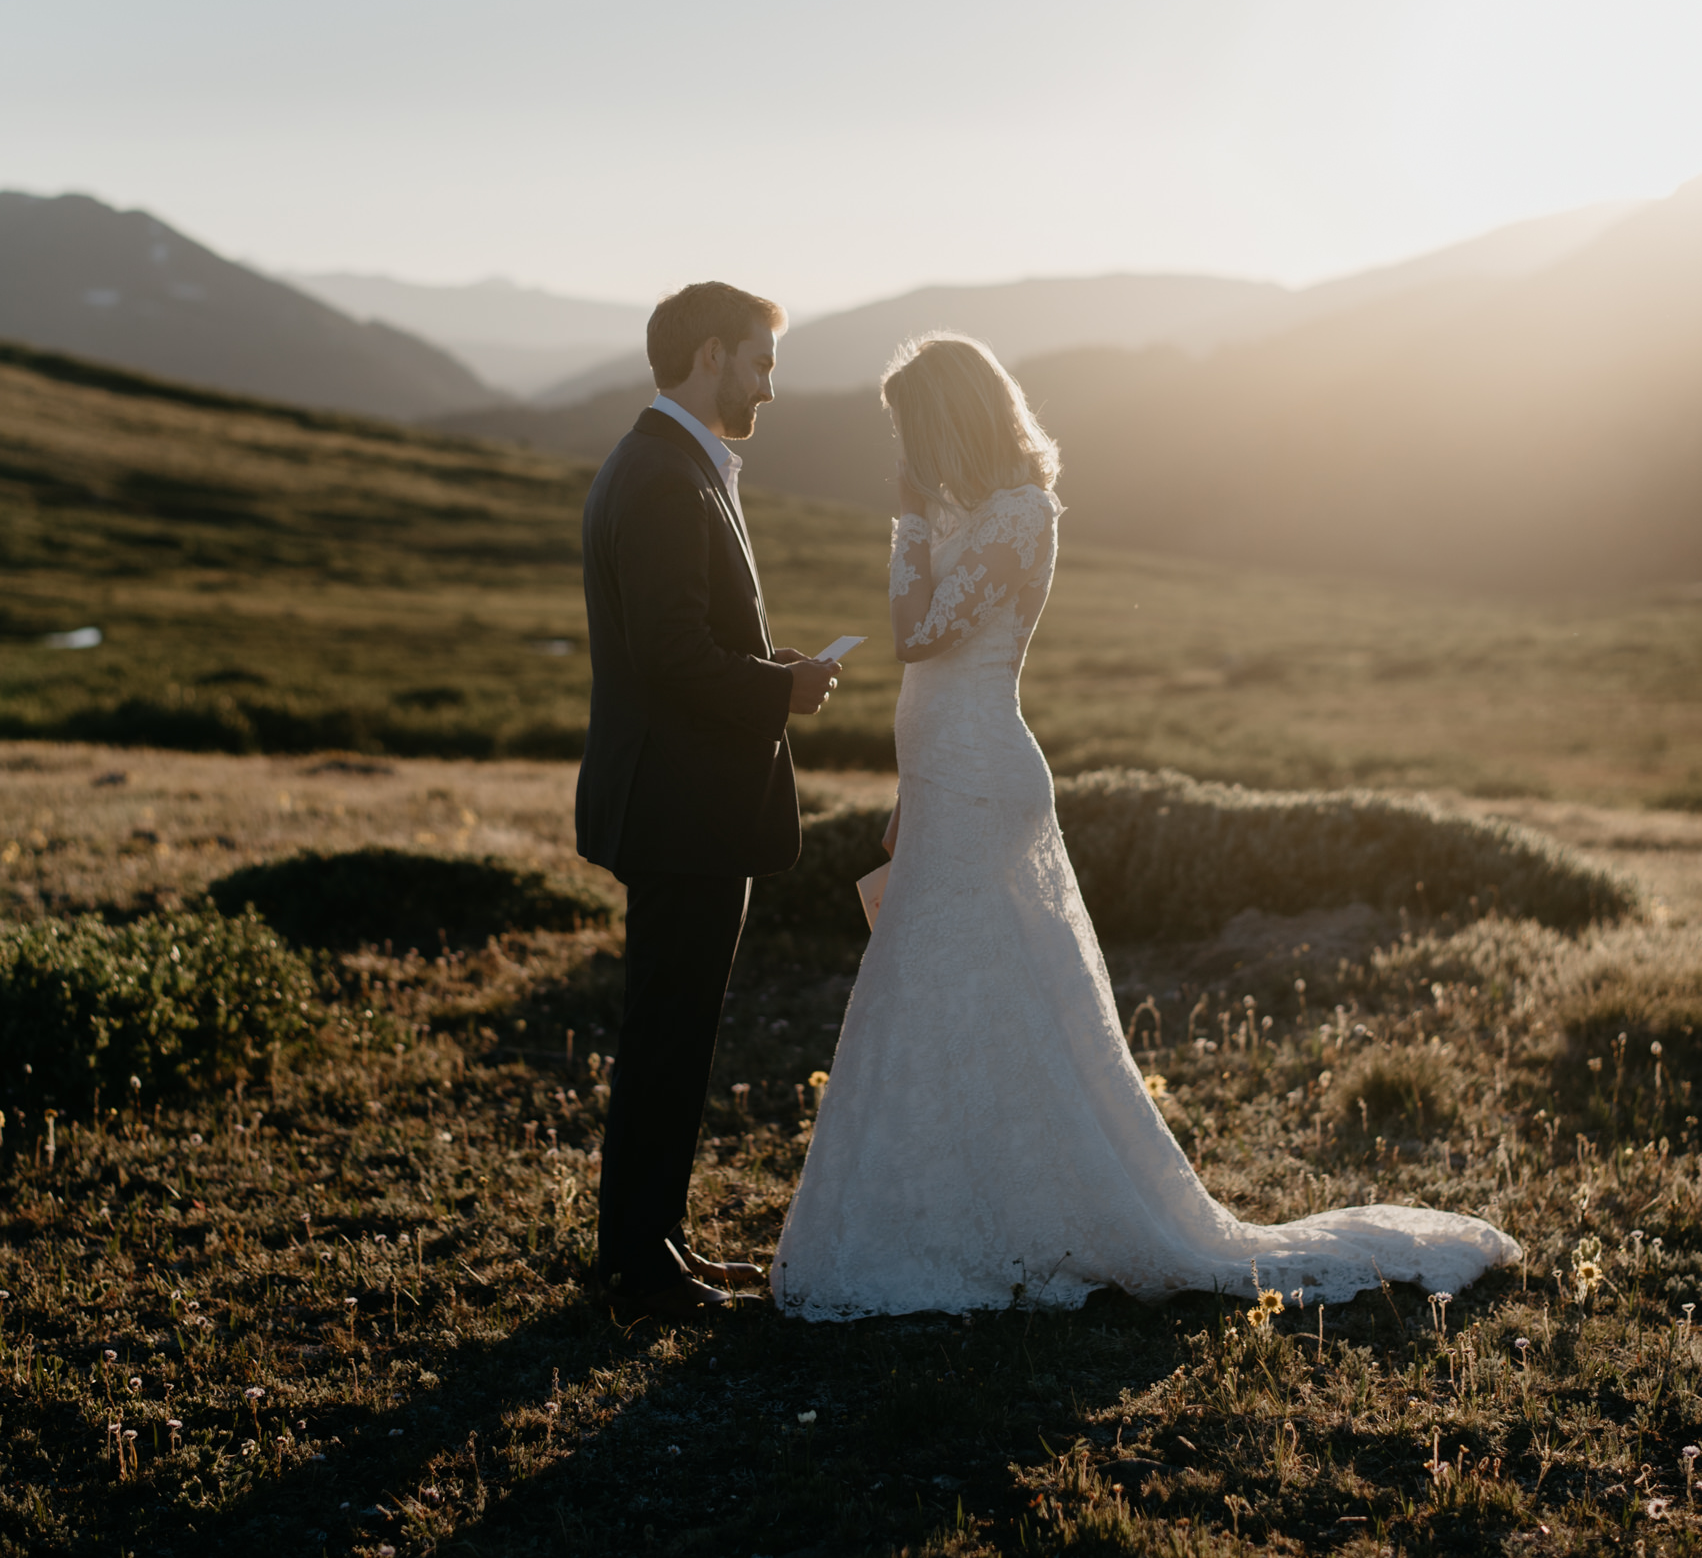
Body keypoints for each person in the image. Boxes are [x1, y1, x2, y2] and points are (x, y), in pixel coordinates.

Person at [772, 333, 1519, 1319]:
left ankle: (1022, 1216)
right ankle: (945, 1207)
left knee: (976, 989)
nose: (898, 447)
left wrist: (908, 528)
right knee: (937, 990)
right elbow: (929, 668)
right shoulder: (964, 513)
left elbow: (920, 634)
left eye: (908, 424)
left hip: (986, 781)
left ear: (946, 417)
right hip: (943, 779)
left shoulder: (1014, 514)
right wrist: (911, 787)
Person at [577, 280, 840, 1320]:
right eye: (760, 362)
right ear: (709, 355)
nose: (769, 387)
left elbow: (683, 643)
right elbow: (672, 656)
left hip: (686, 798)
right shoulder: (659, 476)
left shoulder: (668, 464)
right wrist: (781, 688)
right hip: (681, 806)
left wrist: (764, 664)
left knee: (674, 1032)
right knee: (667, 1034)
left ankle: (652, 1248)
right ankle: (639, 1267)